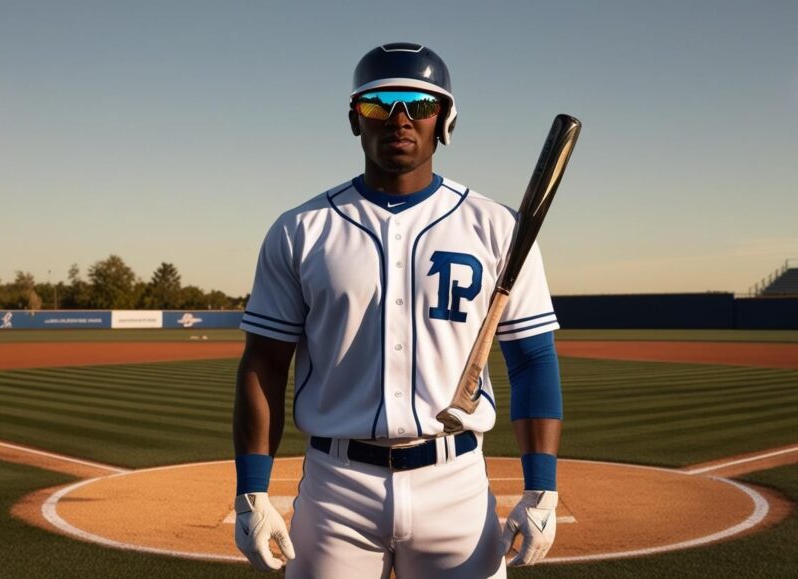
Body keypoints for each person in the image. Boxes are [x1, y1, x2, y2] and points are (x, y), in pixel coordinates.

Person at [232, 42, 564, 578]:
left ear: (445, 119)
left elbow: (531, 358)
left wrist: (542, 486)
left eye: (420, 104)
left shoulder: (498, 227)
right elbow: (264, 363)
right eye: (379, 104)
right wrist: (251, 489)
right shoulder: (300, 229)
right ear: (354, 118)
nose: (400, 118)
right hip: (335, 487)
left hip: (454, 483)